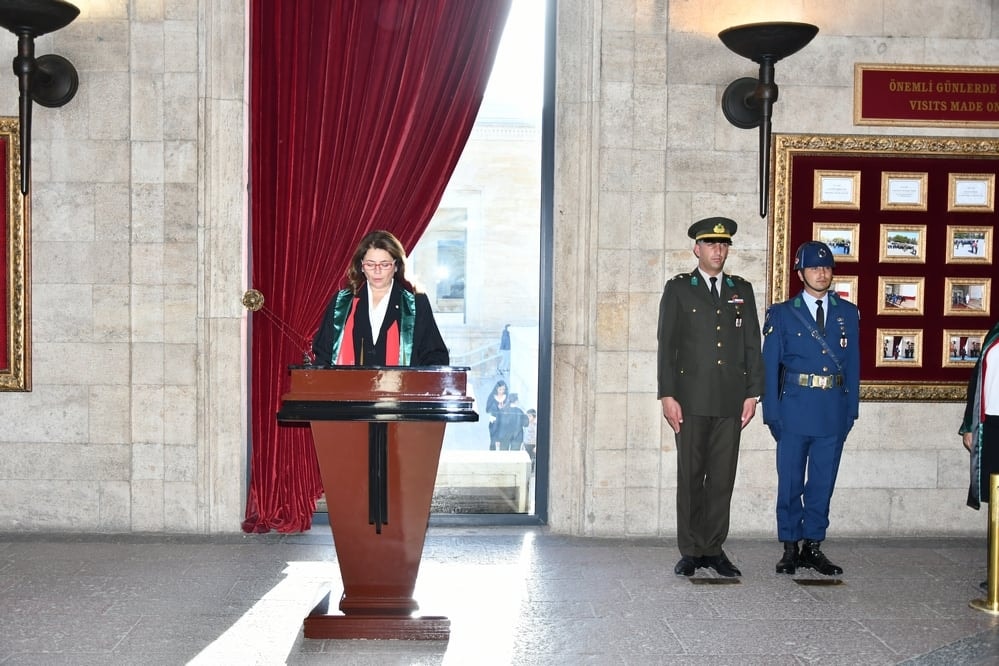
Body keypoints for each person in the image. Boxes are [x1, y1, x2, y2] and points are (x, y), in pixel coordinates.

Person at [657, 216, 764, 578]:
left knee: (721, 478)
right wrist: (667, 395)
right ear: (696, 249)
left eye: (723, 245)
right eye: (711, 244)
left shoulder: (741, 289)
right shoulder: (679, 289)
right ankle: (690, 550)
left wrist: (753, 394)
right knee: (690, 477)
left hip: (730, 400)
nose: (718, 250)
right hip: (689, 399)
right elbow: (666, 347)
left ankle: (713, 548)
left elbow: (752, 344)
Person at [762, 241, 860, 576]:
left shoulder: (848, 313)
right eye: (815, 268)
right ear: (800, 273)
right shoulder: (782, 314)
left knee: (822, 482)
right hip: (793, 409)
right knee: (790, 481)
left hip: (832, 410)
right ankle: (789, 546)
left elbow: (854, 366)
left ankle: (813, 545)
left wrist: (851, 411)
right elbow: (770, 365)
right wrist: (771, 413)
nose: (822, 273)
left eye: (827, 267)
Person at [312, 230, 449, 367]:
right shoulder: (341, 304)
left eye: (384, 264)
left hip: (402, 387)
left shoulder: (415, 304)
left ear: (396, 266)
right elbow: (323, 355)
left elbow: (434, 356)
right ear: (361, 266)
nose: (377, 271)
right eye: (370, 264)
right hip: (349, 387)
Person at [959, 318, 999, 592]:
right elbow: (979, 378)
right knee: (997, 497)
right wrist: (969, 425)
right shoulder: (995, 330)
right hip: (992, 423)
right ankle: (997, 573)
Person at [485, 380, 509, 450]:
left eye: (503, 389)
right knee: (493, 440)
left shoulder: (507, 397)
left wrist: (503, 408)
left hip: (503, 422)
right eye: (500, 389)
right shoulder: (492, 397)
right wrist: (496, 408)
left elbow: (510, 410)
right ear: (496, 389)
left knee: (503, 440)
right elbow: (487, 410)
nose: (502, 391)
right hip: (494, 421)